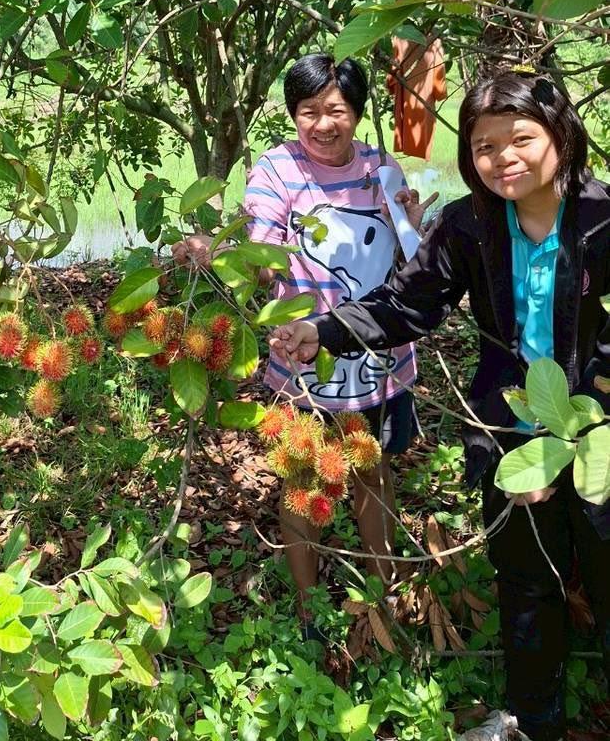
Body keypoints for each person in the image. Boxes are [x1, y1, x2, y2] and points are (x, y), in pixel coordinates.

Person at [272, 70, 610, 741]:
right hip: (512, 435)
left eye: (521, 139)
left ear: (561, 138)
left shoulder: (603, 220)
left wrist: (575, 439)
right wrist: (325, 330)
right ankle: (534, 718)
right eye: (484, 147)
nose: (502, 158)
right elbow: (407, 302)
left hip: (601, 438)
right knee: (527, 582)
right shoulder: (469, 226)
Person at [173, 54, 434, 638]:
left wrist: (413, 223)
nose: (322, 123)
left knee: (373, 469)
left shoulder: (379, 169)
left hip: (379, 359)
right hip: (301, 357)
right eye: (307, 112)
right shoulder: (276, 168)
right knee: (301, 477)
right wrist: (224, 254)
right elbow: (262, 245)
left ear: (357, 113)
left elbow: (408, 253)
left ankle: (382, 584)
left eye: (335, 111)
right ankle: (308, 604)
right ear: (293, 115)